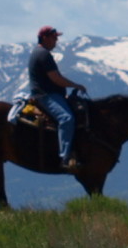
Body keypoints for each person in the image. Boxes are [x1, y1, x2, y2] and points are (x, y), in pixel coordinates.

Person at [27, 25, 88, 171]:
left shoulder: (40, 53)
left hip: (49, 93)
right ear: (45, 38)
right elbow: (55, 78)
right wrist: (76, 85)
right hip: (46, 95)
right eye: (54, 38)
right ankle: (65, 157)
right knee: (66, 118)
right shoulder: (43, 54)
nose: (56, 41)